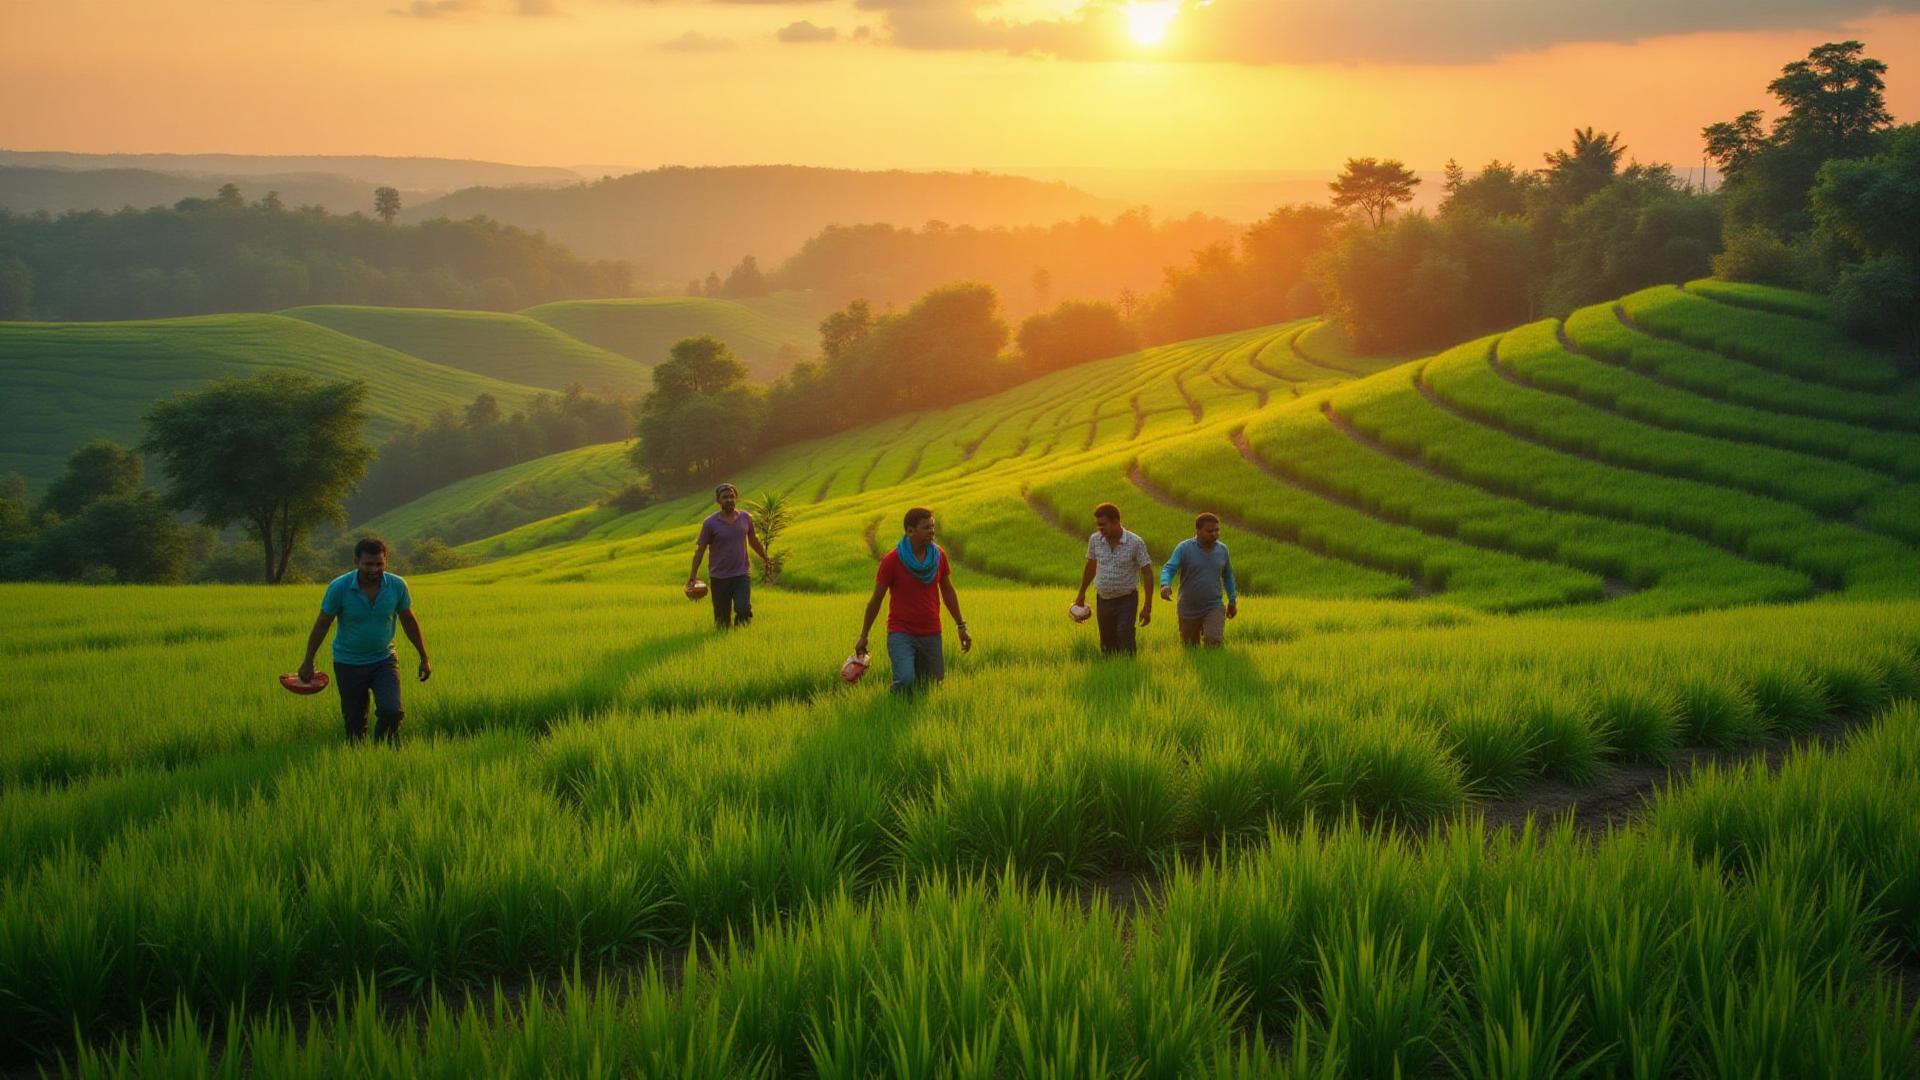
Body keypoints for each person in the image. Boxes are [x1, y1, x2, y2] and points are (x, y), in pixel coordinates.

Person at [298, 536, 431, 743]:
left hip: (384, 660)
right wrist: (308, 661)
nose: (374, 569)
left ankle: (381, 750)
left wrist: (424, 657)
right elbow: (322, 624)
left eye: (379, 563)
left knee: (392, 711)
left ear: (386, 560)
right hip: (348, 663)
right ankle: (360, 755)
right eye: (368, 564)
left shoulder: (397, 586)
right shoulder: (339, 588)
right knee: (354, 723)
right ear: (356, 562)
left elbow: (409, 622)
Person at [855, 506, 973, 693]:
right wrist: (863, 636)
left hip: (931, 631)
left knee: (933, 683)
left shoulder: (939, 556)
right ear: (910, 530)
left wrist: (961, 626)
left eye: (933, 527)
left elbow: (948, 591)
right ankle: (893, 711)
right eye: (926, 528)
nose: (932, 531)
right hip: (901, 632)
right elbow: (876, 600)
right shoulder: (892, 560)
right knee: (905, 680)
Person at [1074, 502, 1153, 654]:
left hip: (1126, 599)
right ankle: (1111, 670)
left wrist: (1147, 606)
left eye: (1103, 525)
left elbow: (1147, 572)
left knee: (1125, 636)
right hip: (1103, 598)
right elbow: (1091, 566)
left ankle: (1129, 671)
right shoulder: (1095, 540)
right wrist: (1081, 593)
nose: (1100, 529)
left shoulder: (1135, 542)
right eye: (1098, 525)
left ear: (1116, 522)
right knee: (1107, 642)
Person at [689, 483, 769, 629]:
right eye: (725, 497)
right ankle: (725, 638)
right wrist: (693, 576)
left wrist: (766, 558)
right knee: (722, 622)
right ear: (718, 501)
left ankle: (742, 637)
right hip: (719, 577)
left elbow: (753, 541)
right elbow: (700, 550)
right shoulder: (710, 523)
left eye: (732, 496)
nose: (729, 500)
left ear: (736, 498)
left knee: (743, 609)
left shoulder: (745, 518)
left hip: (741, 575)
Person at [1160, 512, 1237, 647]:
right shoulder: (1184, 548)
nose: (1214, 534)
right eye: (1209, 531)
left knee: (1214, 641)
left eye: (1217, 530)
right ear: (1198, 531)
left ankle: (1215, 667)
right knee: (1190, 647)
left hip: (1213, 605)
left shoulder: (1222, 550)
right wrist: (1165, 584)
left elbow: (1228, 575)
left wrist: (1232, 600)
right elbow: (1169, 568)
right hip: (1188, 607)